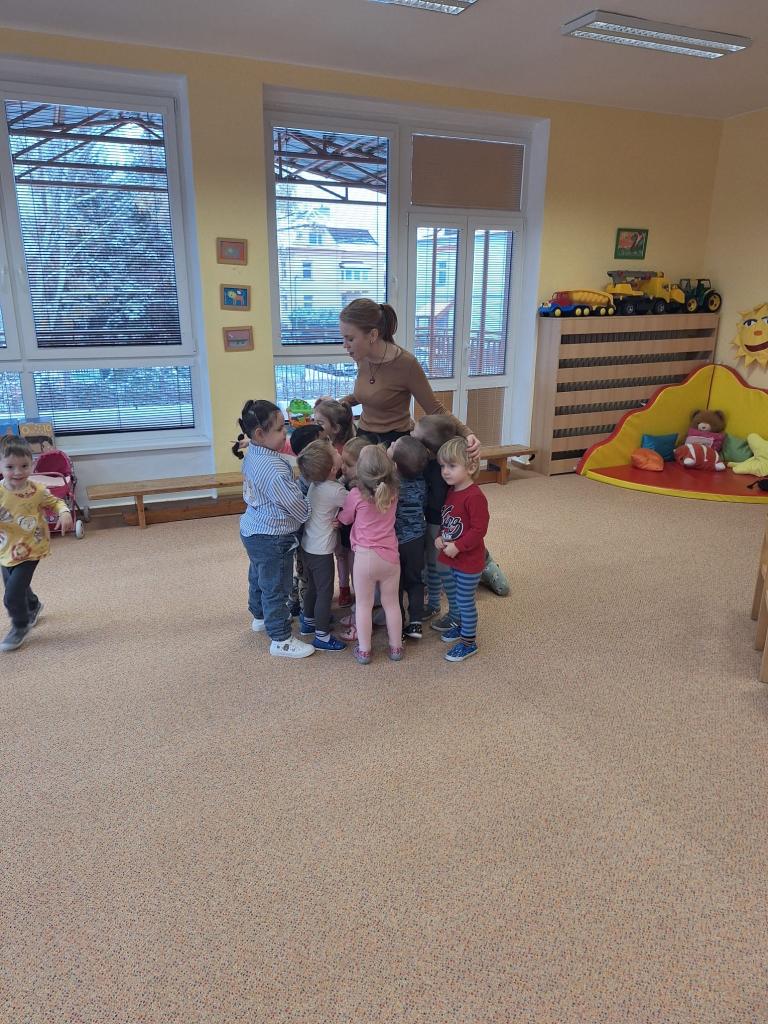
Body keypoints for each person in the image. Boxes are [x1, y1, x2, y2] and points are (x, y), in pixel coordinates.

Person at [336, 298, 481, 452]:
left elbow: (435, 409)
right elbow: (370, 392)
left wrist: (467, 433)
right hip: (364, 436)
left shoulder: (406, 364)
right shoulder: (362, 358)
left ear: (372, 335)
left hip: (394, 444)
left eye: (350, 339)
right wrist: (337, 403)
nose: (345, 345)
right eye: (343, 338)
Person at [238, 399, 314, 659]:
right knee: (277, 587)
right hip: (273, 536)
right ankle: (280, 639)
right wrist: (309, 508)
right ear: (260, 434)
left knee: (259, 577)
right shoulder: (274, 470)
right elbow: (296, 507)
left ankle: (260, 617)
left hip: (253, 529)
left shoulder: (254, 453)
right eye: (281, 429)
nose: (286, 434)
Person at [0, 437, 72, 652]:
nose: (18, 472)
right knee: (15, 584)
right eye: (10, 467)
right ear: (1, 466)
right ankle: (33, 604)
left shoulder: (37, 490)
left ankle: (20, 625)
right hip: (5, 548)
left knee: (12, 595)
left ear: (31, 464)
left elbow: (56, 502)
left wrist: (64, 512)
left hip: (32, 547)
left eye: (24, 466)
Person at [338, 445, 402, 665]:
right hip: (390, 558)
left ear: (360, 473)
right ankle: (396, 648)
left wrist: (337, 519)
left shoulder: (355, 495)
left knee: (363, 605)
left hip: (365, 558)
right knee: (391, 603)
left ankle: (365, 651)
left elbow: (346, 518)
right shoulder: (393, 492)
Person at [434, 436, 489, 663]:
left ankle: (468, 643)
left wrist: (458, 546)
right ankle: (461, 626)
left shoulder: (474, 496)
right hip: (454, 558)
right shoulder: (452, 491)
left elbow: (479, 529)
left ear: (471, 467)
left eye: (451, 466)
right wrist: (440, 538)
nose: (445, 471)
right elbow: (448, 520)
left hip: (469, 561)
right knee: (456, 596)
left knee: (465, 601)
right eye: (442, 466)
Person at [296, 439, 347, 652]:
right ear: (333, 468)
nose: (338, 451)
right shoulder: (336, 491)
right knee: (325, 593)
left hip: (308, 545)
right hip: (322, 551)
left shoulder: (315, 485)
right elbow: (355, 504)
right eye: (335, 451)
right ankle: (322, 637)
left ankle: (309, 621)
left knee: (313, 588)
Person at [312, 398, 355, 606]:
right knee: (340, 553)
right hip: (332, 512)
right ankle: (344, 588)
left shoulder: (349, 448)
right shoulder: (323, 444)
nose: (316, 426)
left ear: (335, 427)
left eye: (320, 422)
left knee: (350, 552)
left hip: (349, 508)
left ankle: (358, 589)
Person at [388, 435, 429, 640]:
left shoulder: (391, 483)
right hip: (417, 540)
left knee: (395, 584)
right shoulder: (422, 482)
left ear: (395, 464)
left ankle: (398, 624)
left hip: (395, 541)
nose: (391, 443)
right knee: (415, 581)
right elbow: (424, 504)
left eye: (393, 444)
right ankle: (415, 622)